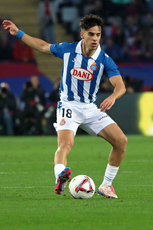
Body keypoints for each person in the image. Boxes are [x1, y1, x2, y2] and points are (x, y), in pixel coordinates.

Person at [3, 14, 127, 198]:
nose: (95, 38)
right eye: (91, 34)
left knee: (121, 141)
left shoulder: (104, 59)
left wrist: (113, 96)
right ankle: (59, 176)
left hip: (91, 108)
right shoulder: (68, 49)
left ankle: (106, 185)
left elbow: (121, 86)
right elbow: (43, 46)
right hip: (69, 105)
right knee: (66, 144)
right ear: (82, 34)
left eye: (98, 35)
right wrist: (18, 32)